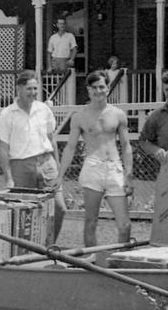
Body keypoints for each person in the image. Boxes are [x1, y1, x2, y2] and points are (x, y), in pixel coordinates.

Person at [57, 70, 133, 247]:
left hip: (114, 168)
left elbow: (126, 146)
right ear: (88, 90)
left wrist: (129, 174)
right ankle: (92, 260)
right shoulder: (79, 116)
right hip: (92, 168)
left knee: (125, 224)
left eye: (102, 87)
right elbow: (70, 147)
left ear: (108, 88)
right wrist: (60, 176)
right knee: (91, 222)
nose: (98, 91)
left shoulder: (118, 114)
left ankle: (119, 262)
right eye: (94, 87)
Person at [0, 70, 66, 241]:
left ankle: (49, 247)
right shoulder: (8, 114)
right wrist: (8, 178)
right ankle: (24, 250)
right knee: (21, 213)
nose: (33, 93)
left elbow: (51, 139)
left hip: (47, 163)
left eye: (35, 89)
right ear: (19, 89)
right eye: (29, 89)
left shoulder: (44, 110)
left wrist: (59, 170)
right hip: (21, 166)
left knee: (59, 208)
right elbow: (3, 148)